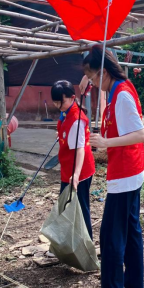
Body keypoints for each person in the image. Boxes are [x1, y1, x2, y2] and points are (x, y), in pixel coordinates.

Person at [82, 46, 144, 288]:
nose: (93, 84)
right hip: (130, 172)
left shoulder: (121, 94)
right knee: (131, 230)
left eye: (94, 78)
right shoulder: (119, 90)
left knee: (110, 236)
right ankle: (134, 286)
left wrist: (107, 142)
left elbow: (140, 134)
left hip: (124, 175)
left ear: (104, 72)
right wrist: (104, 139)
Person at [51, 80, 96, 239]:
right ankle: (65, 243)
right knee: (65, 205)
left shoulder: (76, 120)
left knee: (81, 208)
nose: (58, 106)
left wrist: (76, 175)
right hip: (68, 168)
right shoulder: (66, 113)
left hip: (79, 171)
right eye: (55, 102)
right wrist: (61, 134)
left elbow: (80, 150)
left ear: (72, 97)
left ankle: (86, 246)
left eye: (60, 102)